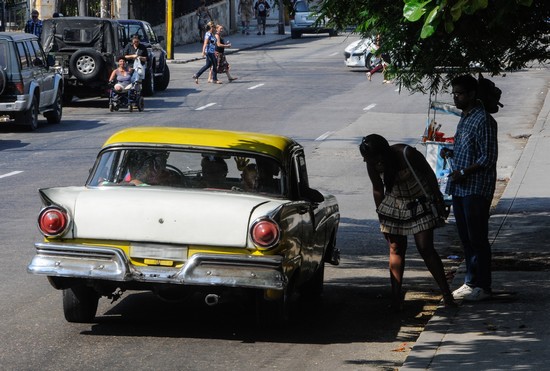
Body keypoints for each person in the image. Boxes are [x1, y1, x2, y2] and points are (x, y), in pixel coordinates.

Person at [359, 134, 456, 310]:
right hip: (396, 203)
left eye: (374, 158)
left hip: (420, 201)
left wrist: (437, 199)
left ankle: (447, 294)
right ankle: (396, 299)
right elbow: (378, 189)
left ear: (383, 153)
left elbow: (428, 174)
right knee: (395, 248)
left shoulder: (406, 153)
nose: (372, 162)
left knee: (425, 248)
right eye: (368, 160)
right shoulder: (372, 163)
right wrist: (382, 216)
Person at [442, 75, 498, 302]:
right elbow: (468, 150)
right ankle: (470, 281)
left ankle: (483, 286)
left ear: (472, 94)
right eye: (454, 93)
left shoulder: (483, 120)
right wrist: (451, 153)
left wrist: (464, 172)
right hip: (460, 189)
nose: (456, 97)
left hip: (476, 188)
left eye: (460, 93)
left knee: (478, 238)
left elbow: (488, 157)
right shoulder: (464, 118)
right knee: (465, 238)